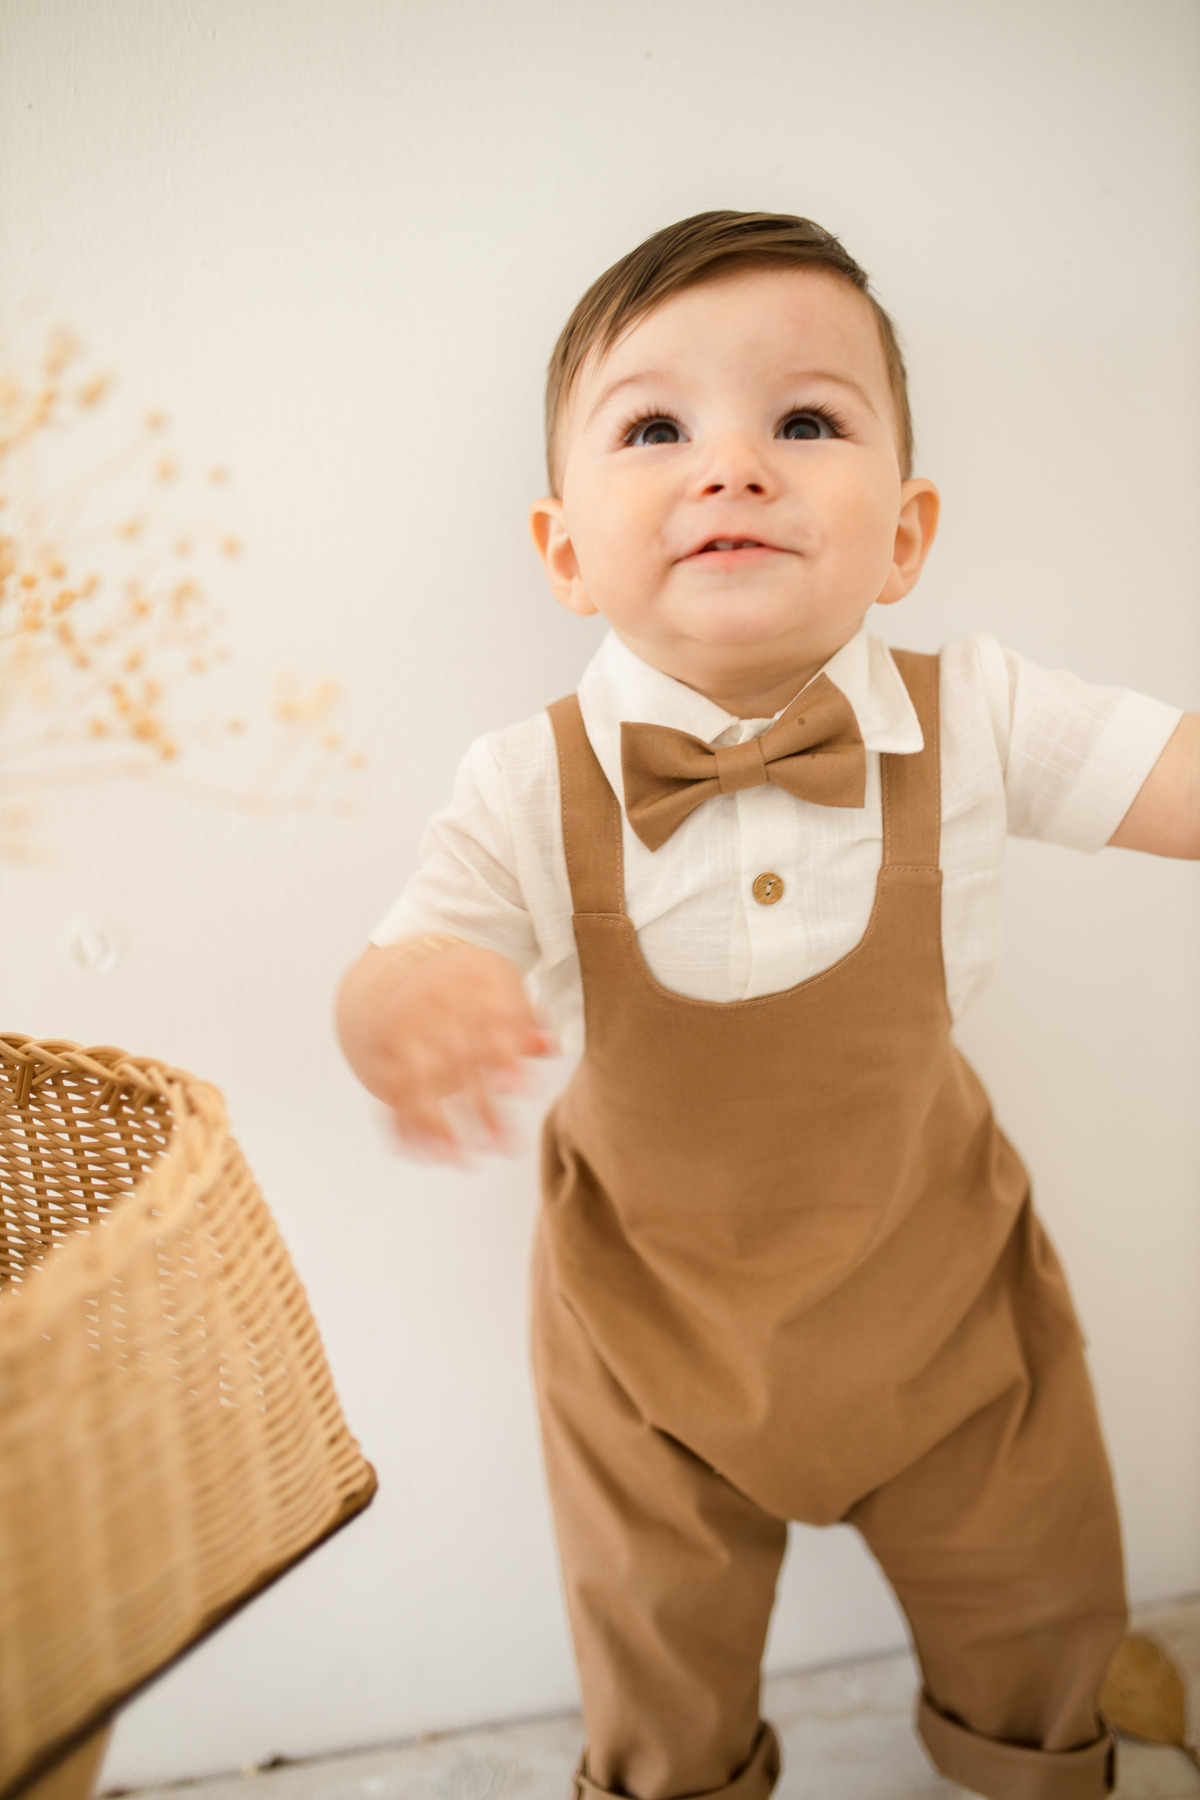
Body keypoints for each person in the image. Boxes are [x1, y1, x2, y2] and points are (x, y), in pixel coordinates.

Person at [336, 211, 1199, 1800]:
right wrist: (413, 1002)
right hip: (648, 1351)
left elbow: (1175, 778)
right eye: (656, 427)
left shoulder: (981, 714)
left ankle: (1037, 1764)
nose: (731, 466)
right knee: (655, 1656)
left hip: (947, 1319)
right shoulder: (525, 784)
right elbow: (404, 952)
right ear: (565, 550)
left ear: (908, 534)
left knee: (1039, 1596)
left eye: (805, 421)